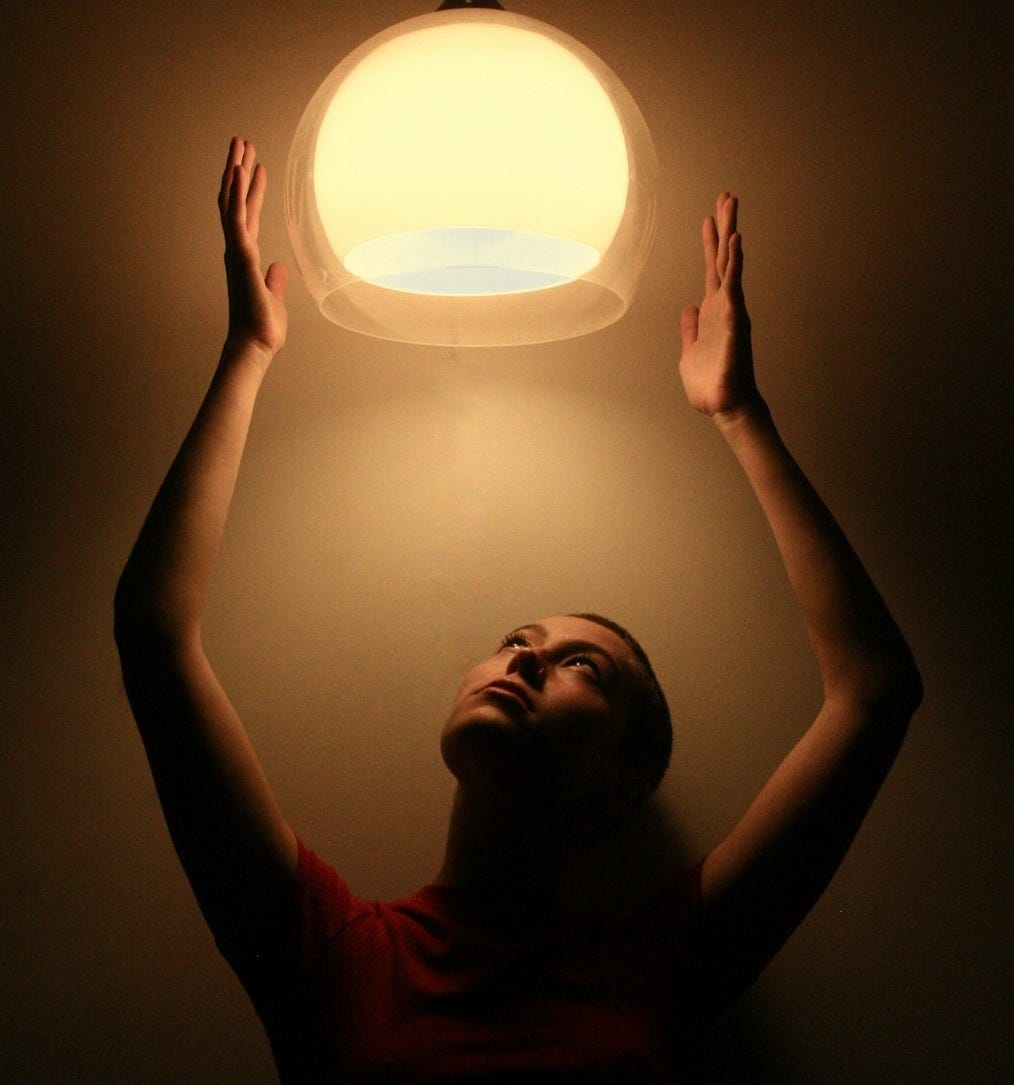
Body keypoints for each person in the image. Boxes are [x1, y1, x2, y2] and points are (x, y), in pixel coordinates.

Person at [114, 138, 922, 1083]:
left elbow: (876, 691)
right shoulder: (334, 952)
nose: (525, 658)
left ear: (622, 785)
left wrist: (741, 415)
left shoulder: (660, 964)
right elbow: (154, 638)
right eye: (514, 640)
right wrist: (246, 353)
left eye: (583, 665)